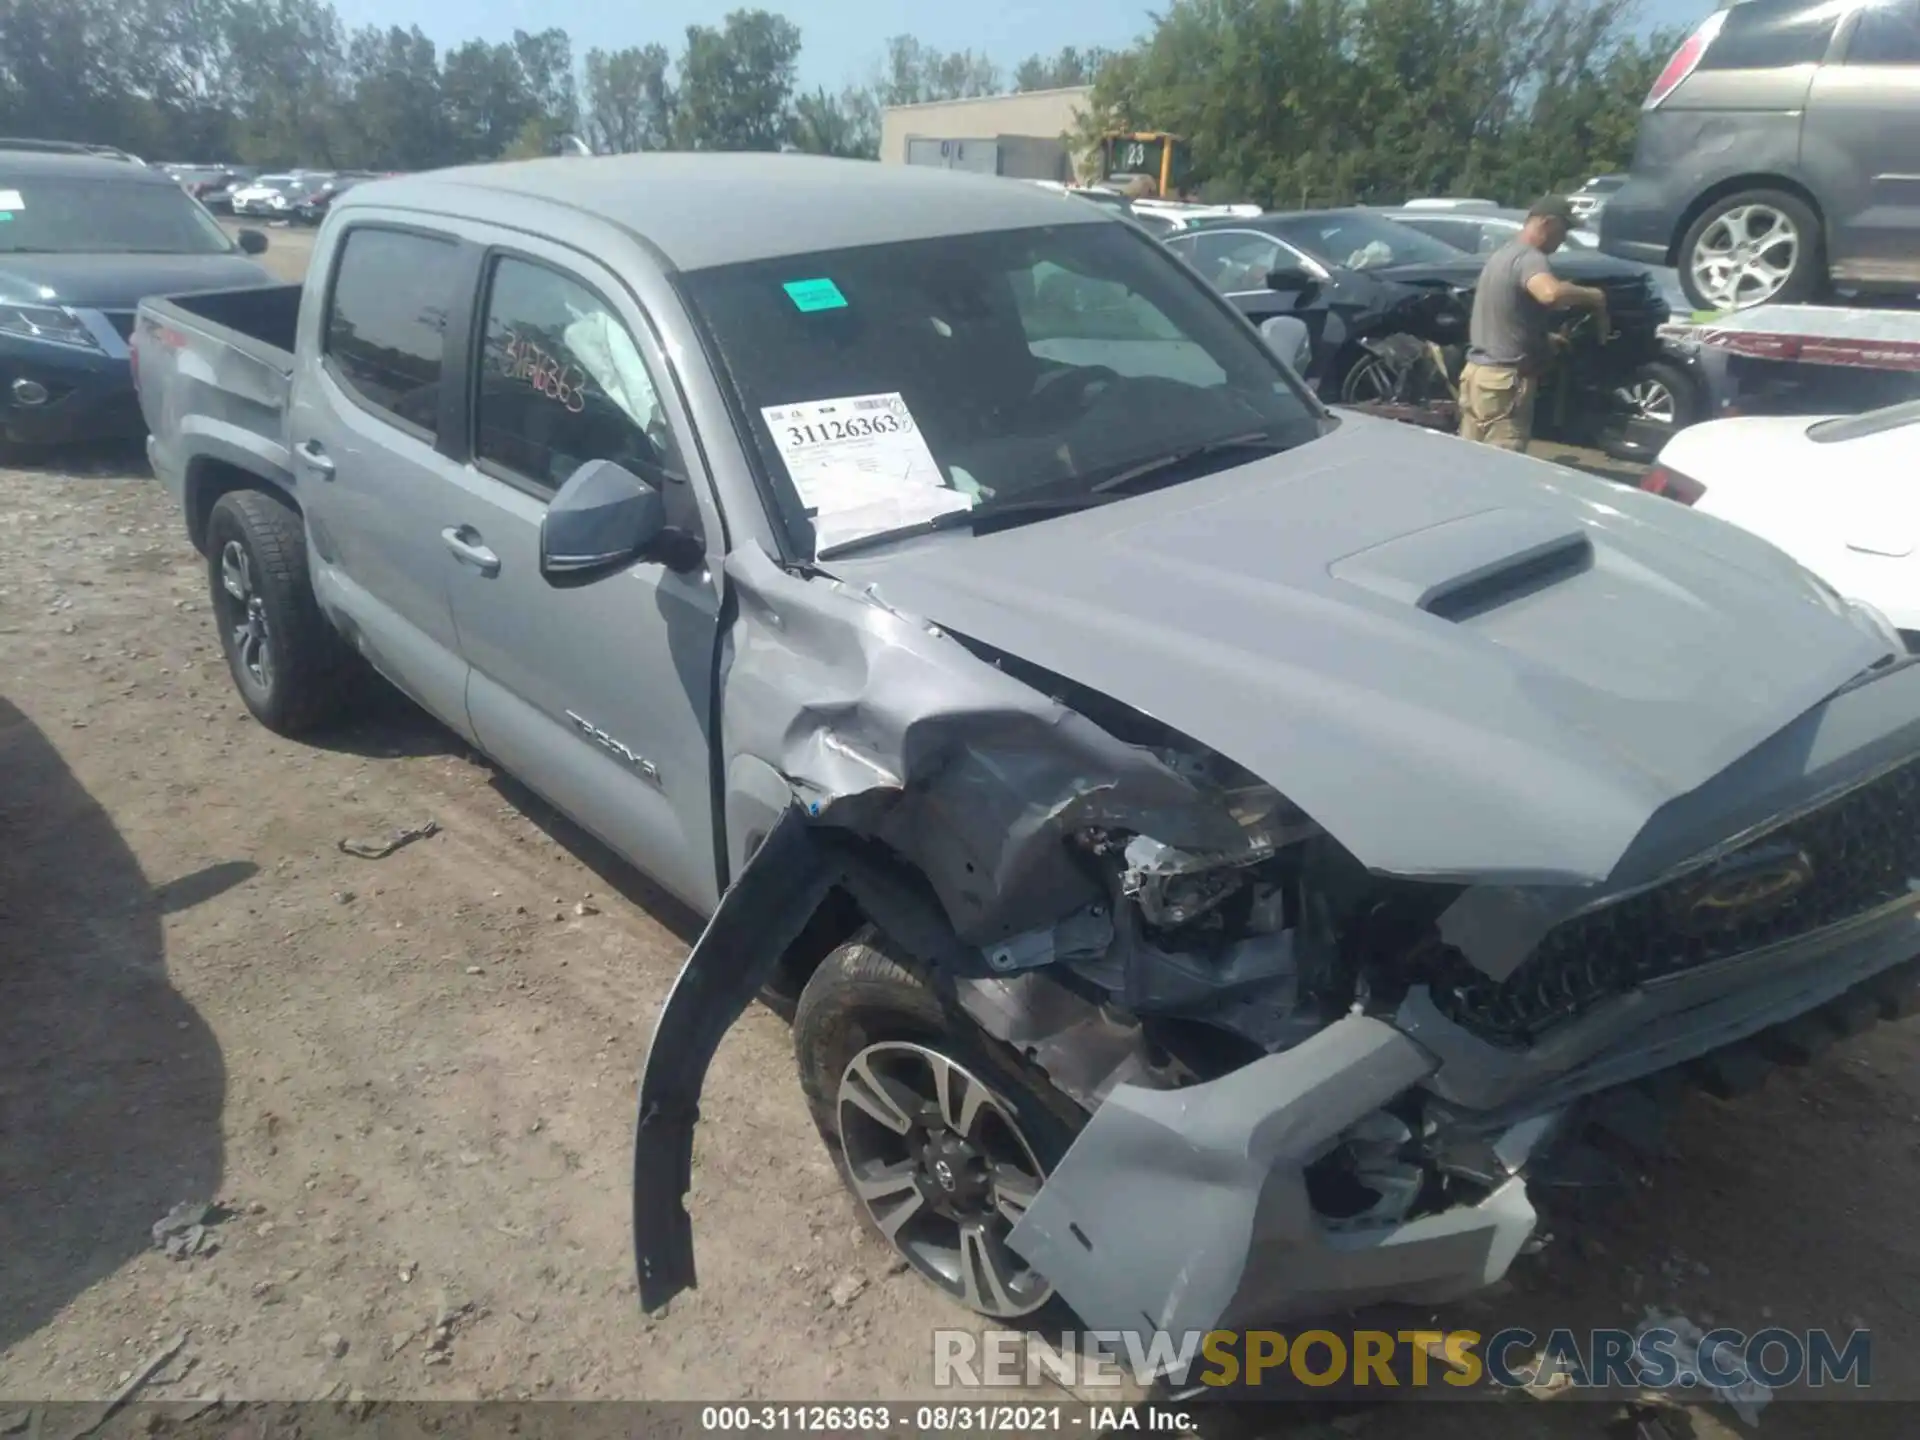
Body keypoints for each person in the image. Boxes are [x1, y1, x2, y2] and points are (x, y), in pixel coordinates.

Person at [1457, 196, 1611, 452]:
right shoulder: (1531, 258)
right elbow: (1550, 294)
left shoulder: (1502, 256)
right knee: (1503, 464)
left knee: (1471, 459)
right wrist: (1595, 297)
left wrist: (1544, 338)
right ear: (1548, 223)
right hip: (1504, 383)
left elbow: (1505, 314)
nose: (1563, 240)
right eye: (1563, 230)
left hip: (1477, 376)